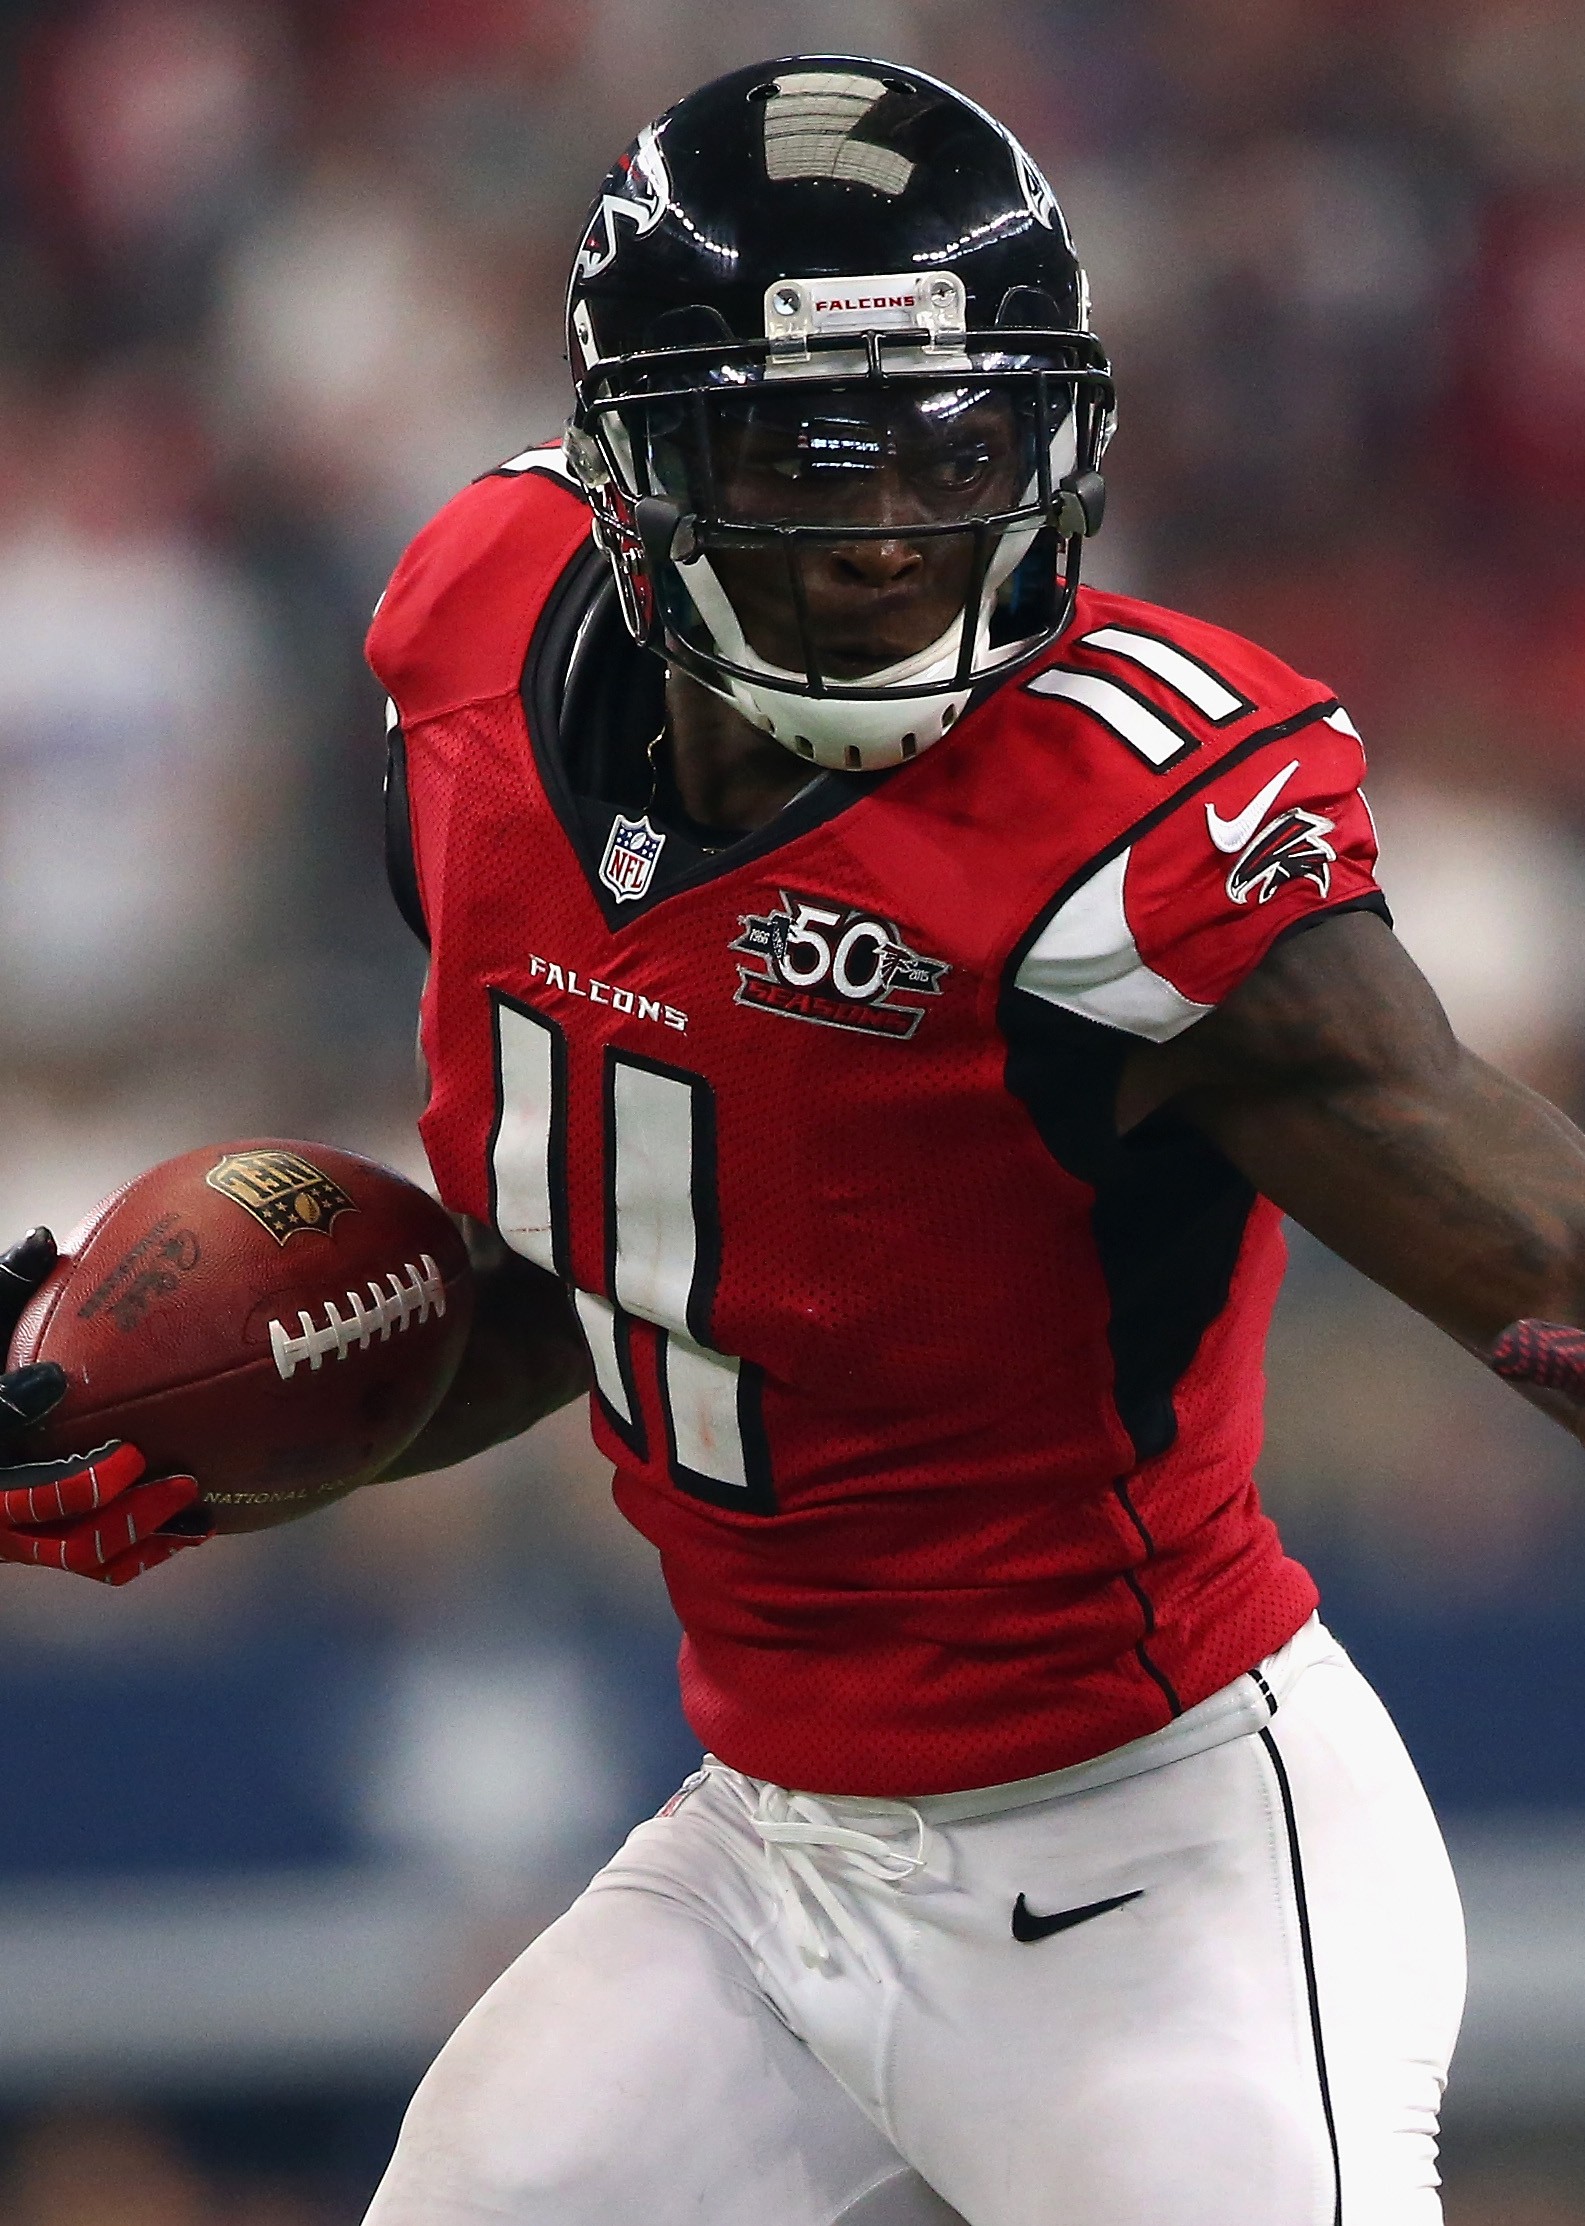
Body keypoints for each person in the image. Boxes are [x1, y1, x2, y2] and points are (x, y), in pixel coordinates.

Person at [7, 52, 1585, 2225]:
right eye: (806, 452)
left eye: (957, 447)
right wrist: (192, 1425)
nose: (894, 530)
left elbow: (1538, 1248)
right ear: (635, 471)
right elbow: (601, 1278)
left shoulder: (1117, 839)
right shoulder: (475, 653)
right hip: (764, 1865)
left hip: (1165, 1876)